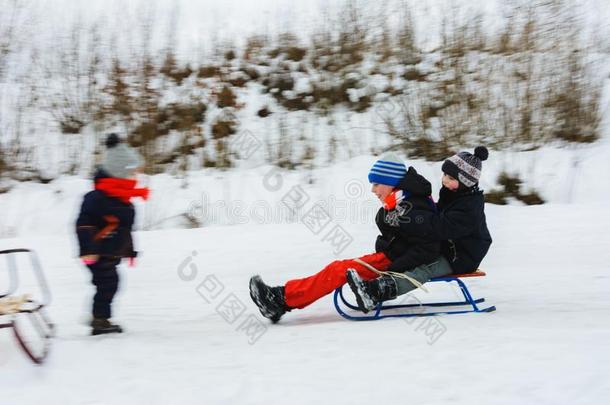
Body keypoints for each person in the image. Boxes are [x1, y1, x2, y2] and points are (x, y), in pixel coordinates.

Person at [249, 153, 440, 322]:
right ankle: (281, 298)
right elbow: (401, 238)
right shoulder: (401, 202)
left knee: (337, 270)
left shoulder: (412, 206)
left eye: (376, 184)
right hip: (391, 257)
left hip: (394, 262)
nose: (373, 190)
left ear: (391, 181)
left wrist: (393, 269)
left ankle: (279, 300)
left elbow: (426, 247)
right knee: (337, 269)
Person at [348, 146, 492, 309]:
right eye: (444, 174)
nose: (445, 180)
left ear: (465, 183)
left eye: (451, 178)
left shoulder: (469, 208)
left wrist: (415, 219)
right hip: (449, 247)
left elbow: (441, 227)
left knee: (425, 269)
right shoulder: (453, 193)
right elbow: (439, 213)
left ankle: (377, 292)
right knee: (417, 256)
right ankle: (376, 282)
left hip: (463, 256)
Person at [76, 134, 149, 335]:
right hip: (96, 254)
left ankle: (99, 317)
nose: (136, 178)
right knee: (108, 284)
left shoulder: (124, 202)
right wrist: (87, 250)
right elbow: (83, 224)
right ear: (119, 174)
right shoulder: (96, 199)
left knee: (110, 284)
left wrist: (130, 251)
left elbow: (125, 230)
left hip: (109, 254)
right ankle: (100, 321)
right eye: (131, 173)